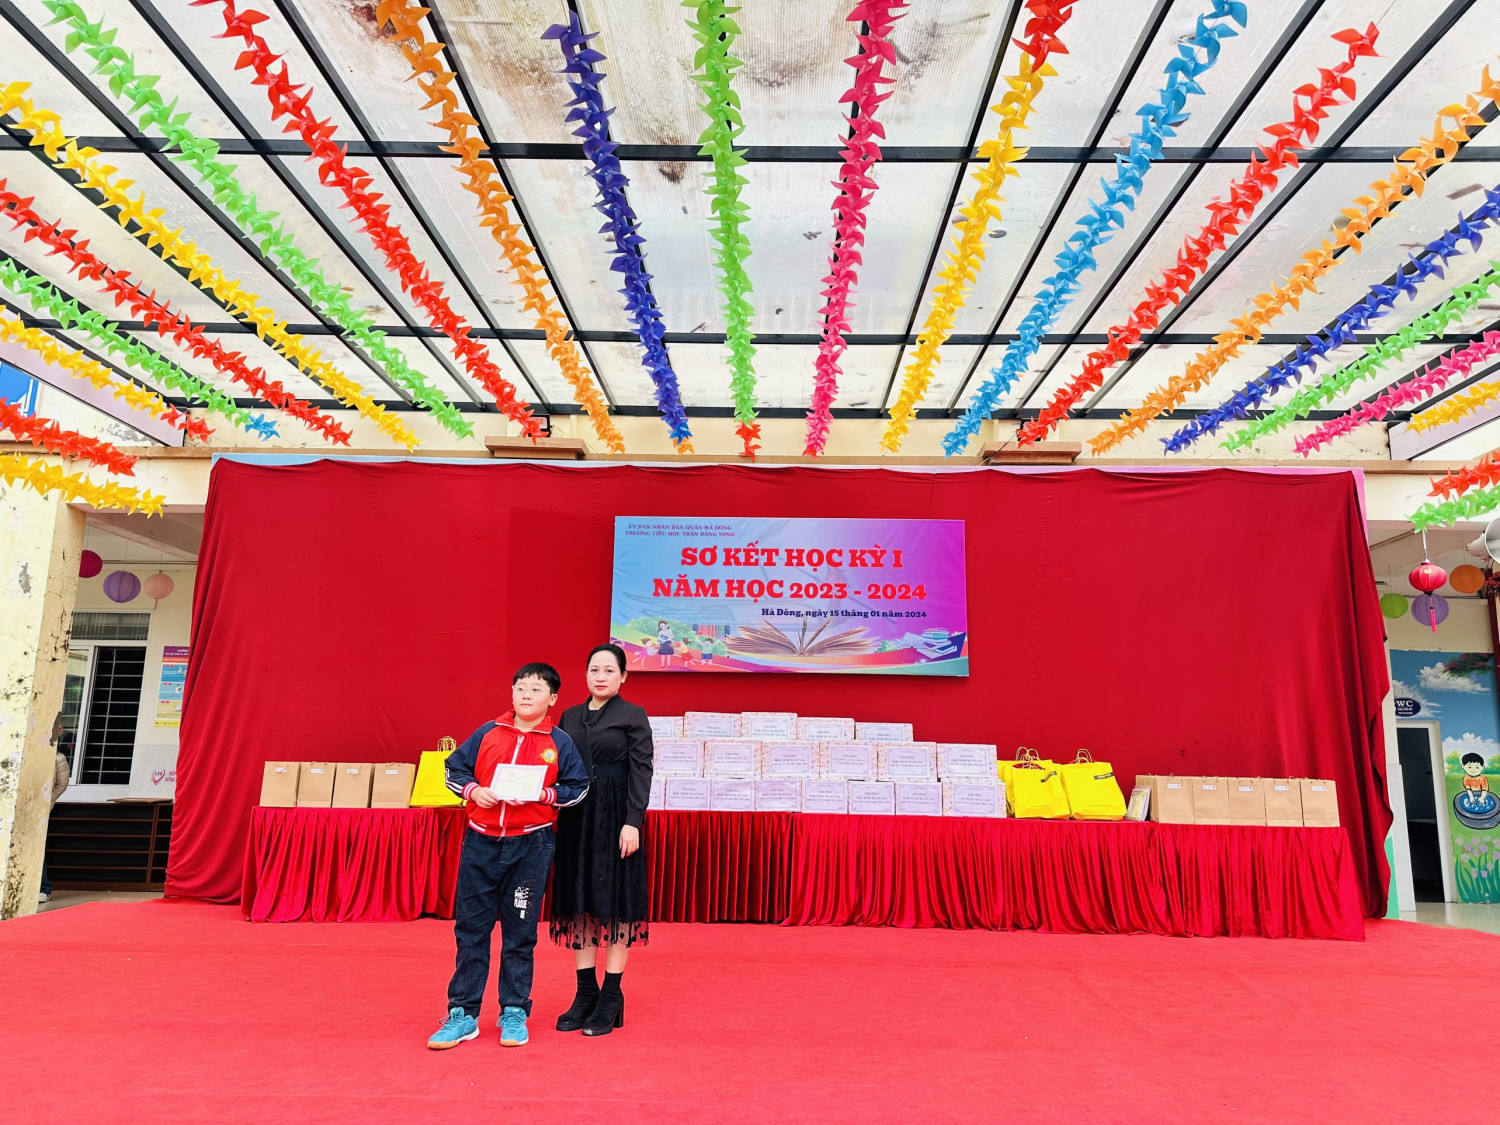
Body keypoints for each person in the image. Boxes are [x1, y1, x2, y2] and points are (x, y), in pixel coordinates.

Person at [426, 663, 590, 1051]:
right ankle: (462, 1013)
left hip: (531, 846)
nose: (526, 695)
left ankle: (514, 1010)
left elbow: (578, 786)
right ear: (512, 693)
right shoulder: (488, 732)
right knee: (471, 930)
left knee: (520, 933)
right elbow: (453, 769)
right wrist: (473, 791)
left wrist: (544, 795)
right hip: (480, 843)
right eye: (520, 688)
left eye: (536, 689)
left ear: (552, 699)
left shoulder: (559, 742)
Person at [552, 643, 653, 1036]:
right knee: (581, 900)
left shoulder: (633, 715)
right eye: (594, 669)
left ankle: (611, 995)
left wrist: (633, 822)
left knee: (615, 902)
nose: (600, 676)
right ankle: (585, 993)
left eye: (609, 670)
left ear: (623, 677)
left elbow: (642, 771)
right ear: (585, 674)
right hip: (577, 815)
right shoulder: (569, 716)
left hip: (616, 815)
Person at [39, 714, 71, 904]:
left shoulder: (59, 758)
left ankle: (44, 888)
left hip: (42, 811)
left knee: (37, 848)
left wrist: (45, 802)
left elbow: (61, 785)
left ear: (60, 731)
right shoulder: (35, 753)